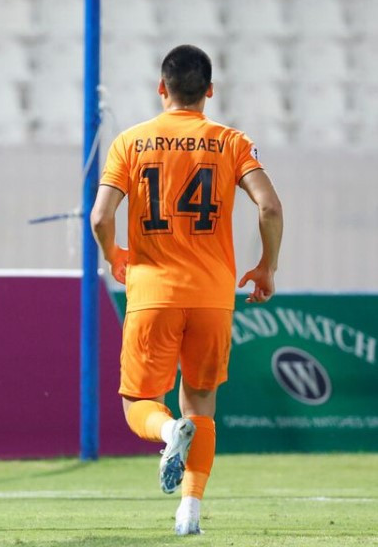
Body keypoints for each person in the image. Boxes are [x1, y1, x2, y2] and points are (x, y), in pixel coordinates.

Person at [90, 44, 283, 536]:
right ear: (210, 91)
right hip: (213, 296)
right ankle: (190, 512)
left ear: (162, 88)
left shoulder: (130, 143)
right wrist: (266, 267)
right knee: (201, 404)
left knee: (139, 402)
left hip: (153, 290)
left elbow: (100, 216)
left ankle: (168, 431)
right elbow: (269, 208)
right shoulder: (233, 142)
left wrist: (114, 254)